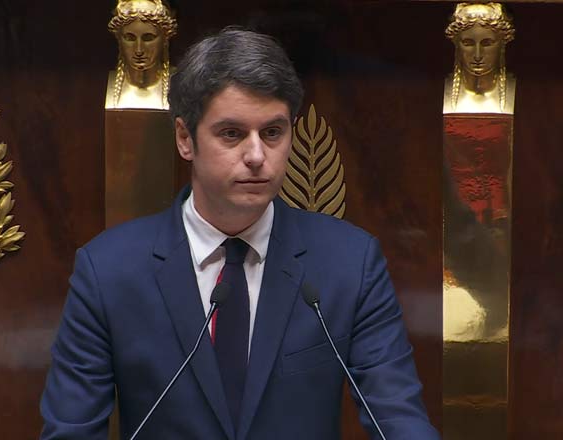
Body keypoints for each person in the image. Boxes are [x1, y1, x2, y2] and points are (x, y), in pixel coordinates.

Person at [41, 27, 440, 439]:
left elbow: (398, 418)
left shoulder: (349, 263)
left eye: (272, 133)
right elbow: (71, 430)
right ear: (184, 138)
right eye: (231, 134)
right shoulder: (107, 272)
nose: (256, 156)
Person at [444, 2, 515, 114]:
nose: (477, 55)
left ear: (502, 44)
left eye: (487, 43)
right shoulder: (438, 90)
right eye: (468, 43)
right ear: (457, 43)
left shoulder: (519, 91)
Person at [105, 0, 177, 109]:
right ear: (119, 39)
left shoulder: (178, 84)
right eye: (130, 38)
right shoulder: (113, 88)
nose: (139, 50)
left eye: (148, 38)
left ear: (165, 39)